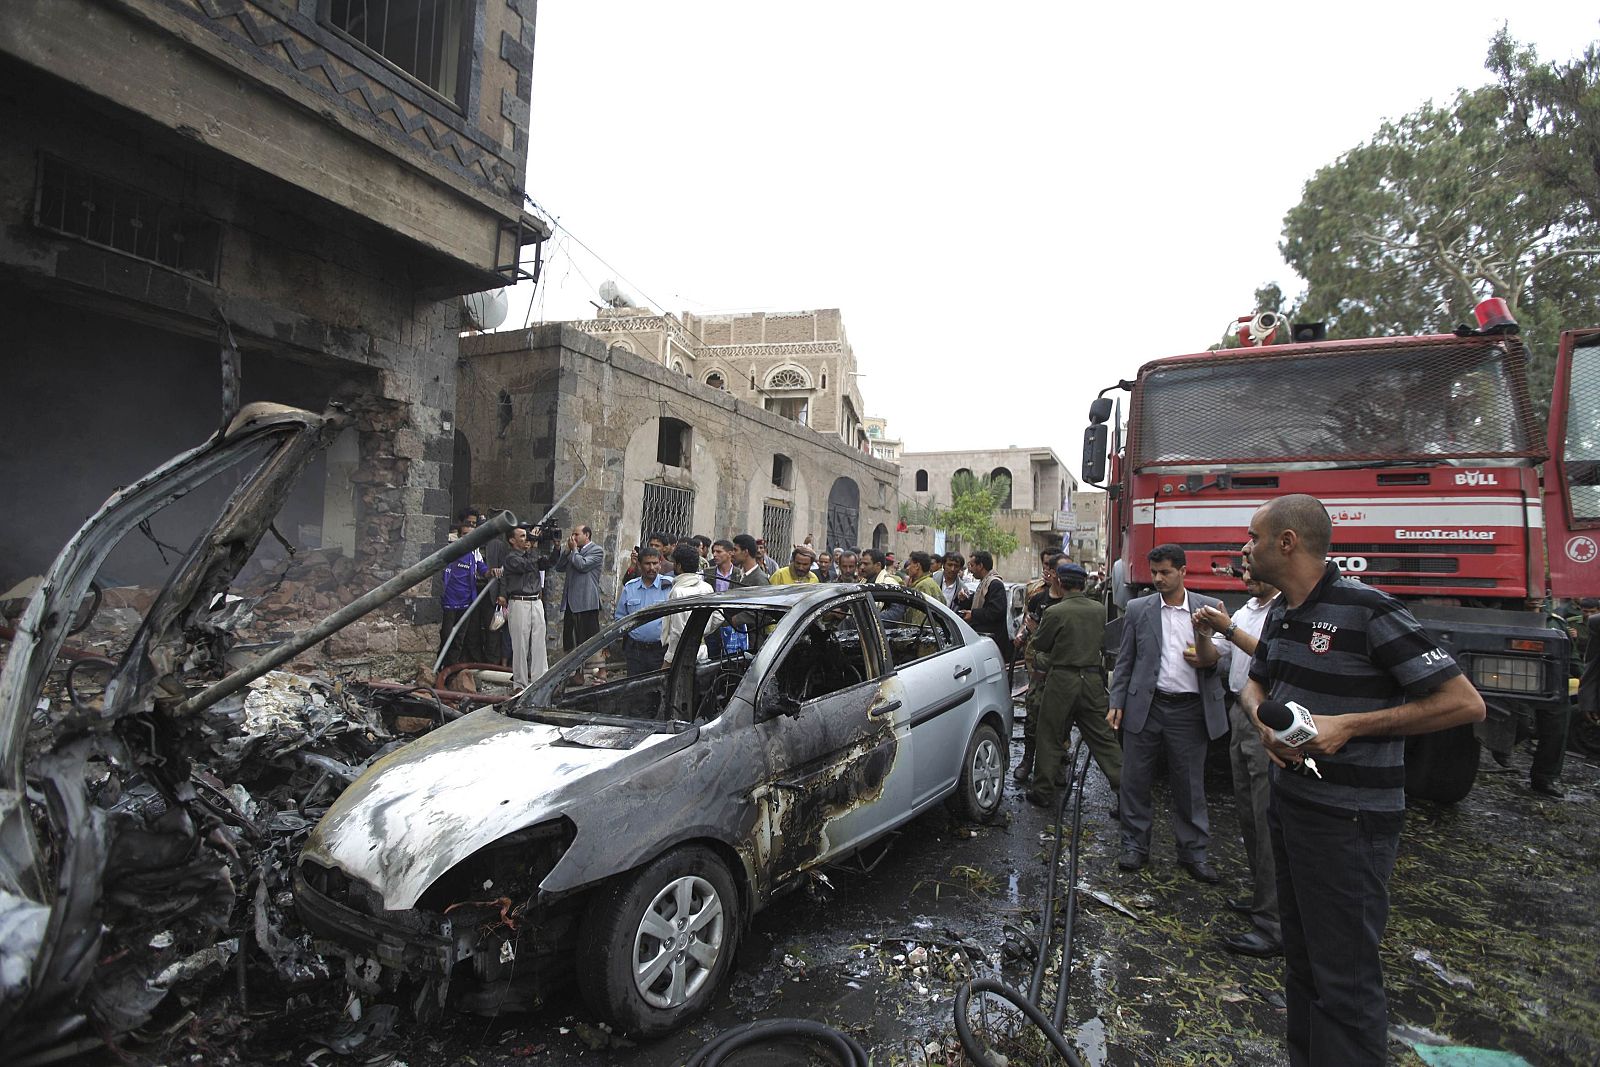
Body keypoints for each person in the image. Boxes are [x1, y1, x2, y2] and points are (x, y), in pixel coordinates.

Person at [1240, 494, 1483, 1066]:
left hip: (1348, 821)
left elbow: (1463, 702)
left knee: (1344, 981)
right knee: (1302, 963)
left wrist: (1349, 725)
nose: (1245, 549)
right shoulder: (1282, 612)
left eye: (1253, 537)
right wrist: (1263, 724)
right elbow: (1256, 683)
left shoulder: (1369, 610)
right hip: (1291, 805)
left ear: (1286, 542)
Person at [1106, 544, 1227, 882]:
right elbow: (1125, 660)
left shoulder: (1207, 609)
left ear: (1183, 571)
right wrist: (1117, 702)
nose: (1158, 579)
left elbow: (1228, 657)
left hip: (1189, 711)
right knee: (1135, 780)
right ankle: (1134, 845)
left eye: (1165, 572)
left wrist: (1209, 657)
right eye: (1155, 573)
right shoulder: (1138, 609)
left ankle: (1193, 852)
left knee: (1189, 785)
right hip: (1146, 707)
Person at [1197, 564, 1284, 958]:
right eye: (1243, 568)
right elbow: (1213, 658)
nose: (1246, 574)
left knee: (1268, 819)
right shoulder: (1247, 610)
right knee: (1249, 813)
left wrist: (1228, 628)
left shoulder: (1284, 610)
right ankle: (1262, 897)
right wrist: (1203, 634)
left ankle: (1274, 924)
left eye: (1253, 566)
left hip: (1266, 716)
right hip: (1240, 712)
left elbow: (1270, 656)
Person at [1029, 561, 1122, 809]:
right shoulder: (1098, 610)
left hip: (1062, 679)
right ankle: (1126, 791)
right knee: (1103, 738)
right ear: (1083, 584)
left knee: (1050, 734)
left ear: (1059, 582)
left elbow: (1041, 644)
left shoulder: (1055, 612)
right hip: (1092, 680)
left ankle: (1042, 790)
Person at [1015, 550, 1065, 784]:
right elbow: (1029, 623)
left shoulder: (1071, 601)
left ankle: (1058, 762)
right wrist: (1023, 635)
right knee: (1033, 712)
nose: (1048, 572)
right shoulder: (1038, 598)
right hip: (1038, 665)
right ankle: (1028, 759)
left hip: (1063, 667)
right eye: (1046, 567)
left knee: (1060, 717)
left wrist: (1038, 632)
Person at [438, 511, 488, 668]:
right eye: (465, 534)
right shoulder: (451, 551)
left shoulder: (475, 552)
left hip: (466, 601)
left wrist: (492, 572)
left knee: (460, 638)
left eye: (471, 535)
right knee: (446, 636)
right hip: (449, 601)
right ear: (460, 536)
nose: (469, 538)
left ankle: (451, 668)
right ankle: (441, 667)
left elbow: (483, 569)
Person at [502, 525, 549, 688]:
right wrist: (534, 548)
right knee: (520, 646)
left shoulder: (531, 555)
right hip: (519, 601)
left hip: (536, 601)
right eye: (522, 536)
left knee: (539, 643)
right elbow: (526, 566)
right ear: (512, 540)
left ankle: (540, 681)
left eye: (527, 536)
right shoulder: (511, 558)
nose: (526, 539)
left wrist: (557, 547)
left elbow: (548, 563)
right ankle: (519, 684)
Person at [614, 546, 671, 674]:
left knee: (658, 685)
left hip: (660, 651)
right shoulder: (630, 588)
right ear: (639, 565)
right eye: (647, 564)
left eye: (655, 563)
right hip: (635, 652)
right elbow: (620, 618)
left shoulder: (669, 586)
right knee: (635, 685)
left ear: (660, 563)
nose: (652, 568)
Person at [660, 543, 715, 666]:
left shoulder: (678, 591)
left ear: (679, 566)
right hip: (702, 649)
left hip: (681, 653)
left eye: (674, 563)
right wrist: (702, 632)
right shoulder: (707, 587)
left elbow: (677, 631)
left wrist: (669, 659)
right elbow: (718, 616)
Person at [554, 524, 605, 651]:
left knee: (587, 643)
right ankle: (572, 663)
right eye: (572, 534)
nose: (573, 537)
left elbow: (582, 565)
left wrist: (574, 550)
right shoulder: (574, 552)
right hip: (571, 604)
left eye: (576, 534)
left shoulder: (596, 550)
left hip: (586, 603)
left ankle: (591, 663)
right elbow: (559, 567)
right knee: (570, 642)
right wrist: (567, 551)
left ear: (587, 535)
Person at [961, 551, 1011, 660]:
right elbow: (978, 603)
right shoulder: (984, 582)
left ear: (980, 566)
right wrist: (964, 600)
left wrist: (973, 615)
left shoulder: (995, 584)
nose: (970, 570)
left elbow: (995, 611)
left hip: (993, 641)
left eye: (972, 565)